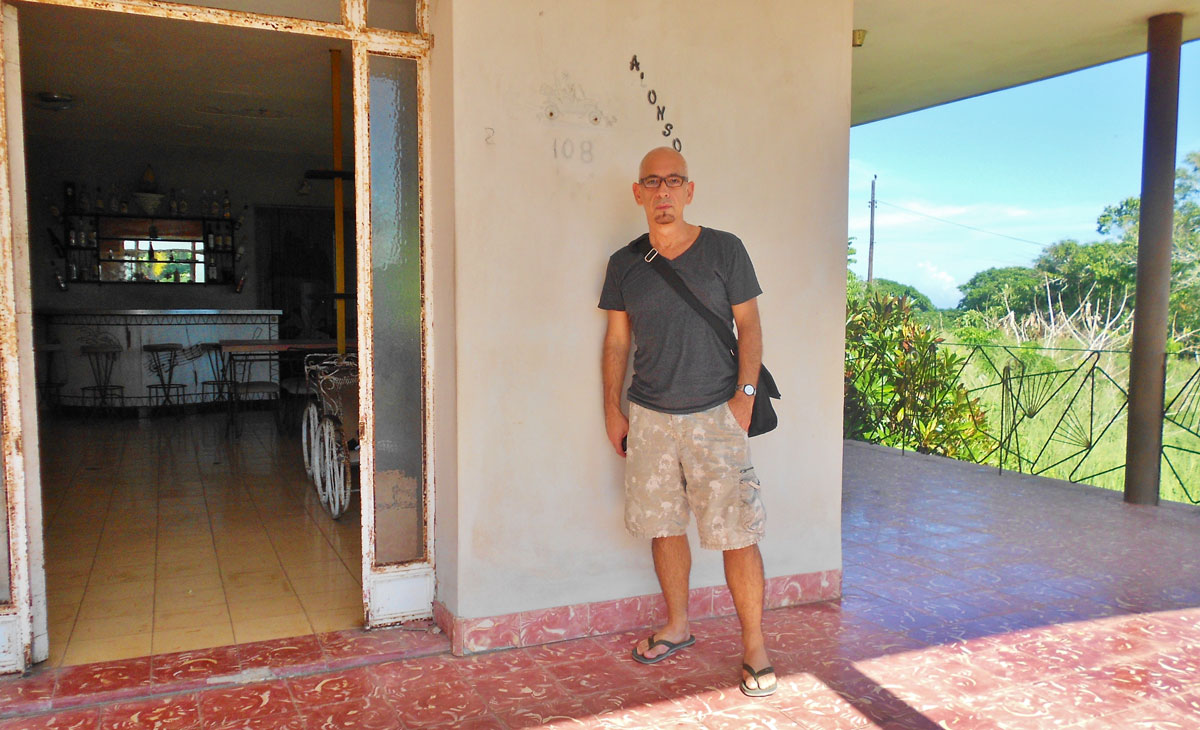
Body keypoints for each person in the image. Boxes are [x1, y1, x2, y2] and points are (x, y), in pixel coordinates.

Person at [598, 147, 776, 697]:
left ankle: (754, 647)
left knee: (736, 533)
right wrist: (612, 407)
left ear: (689, 190)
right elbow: (617, 340)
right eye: (652, 182)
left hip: (716, 415)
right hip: (650, 416)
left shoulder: (725, 249)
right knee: (663, 526)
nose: (663, 192)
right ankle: (678, 625)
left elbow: (749, 326)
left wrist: (744, 397)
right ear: (638, 193)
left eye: (673, 181)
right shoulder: (625, 263)